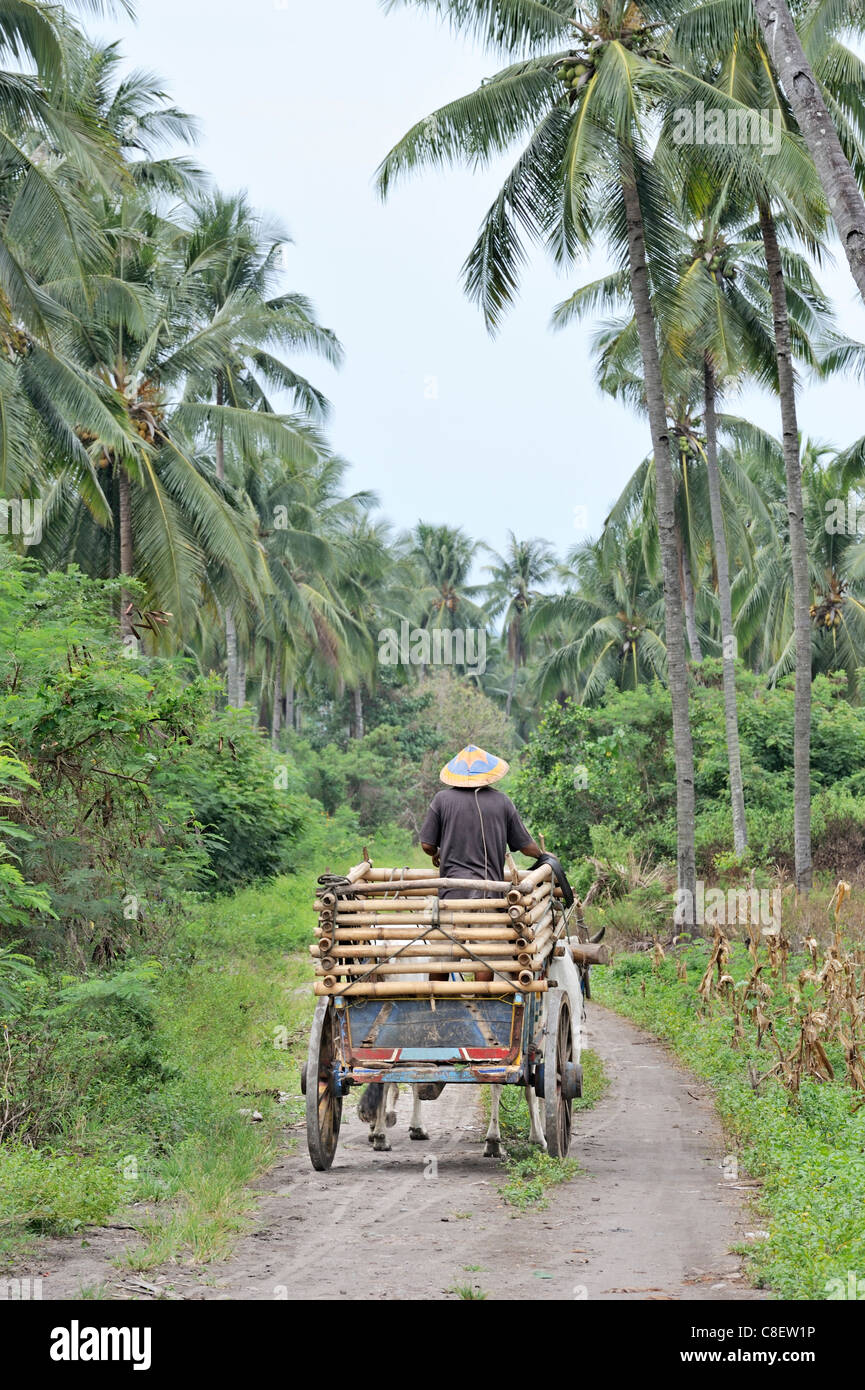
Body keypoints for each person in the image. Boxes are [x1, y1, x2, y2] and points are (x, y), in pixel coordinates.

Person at [420, 744, 543, 981]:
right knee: (486, 954)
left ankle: (436, 1004)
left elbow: (427, 844)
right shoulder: (502, 802)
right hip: (489, 895)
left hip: (453, 895)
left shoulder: (442, 800)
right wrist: (544, 856)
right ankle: (483, 1002)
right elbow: (526, 845)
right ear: (488, 774)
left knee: (441, 955)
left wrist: (436, 853)